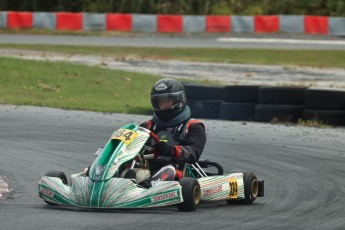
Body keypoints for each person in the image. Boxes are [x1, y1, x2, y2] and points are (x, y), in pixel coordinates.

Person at [137, 78, 206, 188]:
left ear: (179, 100)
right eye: (160, 102)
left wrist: (171, 150)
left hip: (177, 172)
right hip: (149, 168)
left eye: (167, 101)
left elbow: (192, 153)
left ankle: (145, 189)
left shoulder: (194, 126)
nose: (163, 106)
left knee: (168, 170)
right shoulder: (147, 126)